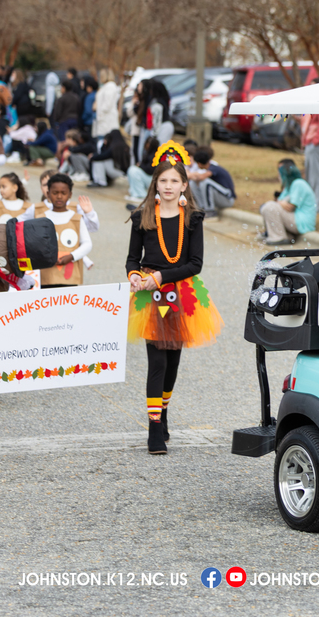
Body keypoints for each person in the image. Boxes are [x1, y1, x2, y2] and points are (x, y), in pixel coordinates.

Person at [125, 140, 222, 454]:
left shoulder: (192, 218)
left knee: (173, 362)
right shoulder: (142, 215)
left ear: (184, 184)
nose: (168, 186)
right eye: (162, 180)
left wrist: (160, 277)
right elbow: (131, 259)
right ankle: (154, 427)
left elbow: (195, 264)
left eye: (174, 181)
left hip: (180, 293)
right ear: (156, 183)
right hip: (150, 299)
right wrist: (136, 276)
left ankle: (164, 410)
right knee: (157, 360)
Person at [34, 173, 93, 287]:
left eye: (63, 193)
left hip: (70, 278)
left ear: (70, 194)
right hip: (46, 276)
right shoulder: (40, 219)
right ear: (48, 194)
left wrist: (72, 256)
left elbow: (87, 244)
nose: (59, 196)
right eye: (55, 193)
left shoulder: (76, 219)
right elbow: (34, 245)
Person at [260, 158, 316, 245]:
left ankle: (278, 237)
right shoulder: (288, 187)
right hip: (295, 218)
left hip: (302, 222)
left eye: (280, 174)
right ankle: (285, 235)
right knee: (267, 206)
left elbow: (290, 207)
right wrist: (280, 203)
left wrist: (280, 203)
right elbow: (280, 203)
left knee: (270, 207)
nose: (279, 177)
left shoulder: (298, 183)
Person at [188, 146, 235, 218]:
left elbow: (201, 177)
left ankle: (210, 211)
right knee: (192, 183)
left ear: (199, 163)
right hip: (220, 196)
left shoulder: (213, 167)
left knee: (205, 182)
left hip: (227, 199)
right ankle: (202, 208)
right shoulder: (208, 168)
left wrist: (190, 175)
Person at [300, 102, 319, 213]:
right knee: (311, 176)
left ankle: (318, 207)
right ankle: (312, 204)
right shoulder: (311, 107)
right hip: (310, 143)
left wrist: (315, 141)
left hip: (316, 144)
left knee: (317, 176)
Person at [94, 69, 121, 140]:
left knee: (105, 140)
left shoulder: (110, 87)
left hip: (107, 120)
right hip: (104, 119)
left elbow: (107, 104)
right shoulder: (106, 86)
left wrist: (101, 112)